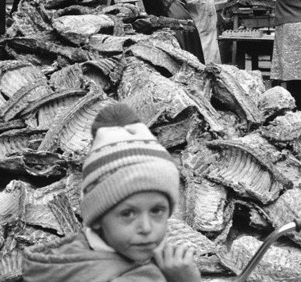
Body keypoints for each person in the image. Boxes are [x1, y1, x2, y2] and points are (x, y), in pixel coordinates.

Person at [23, 102, 201, 281]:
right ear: (97, 219)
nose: (146, 228)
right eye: (128, 213)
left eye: (156, 211)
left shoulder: (71, 259)